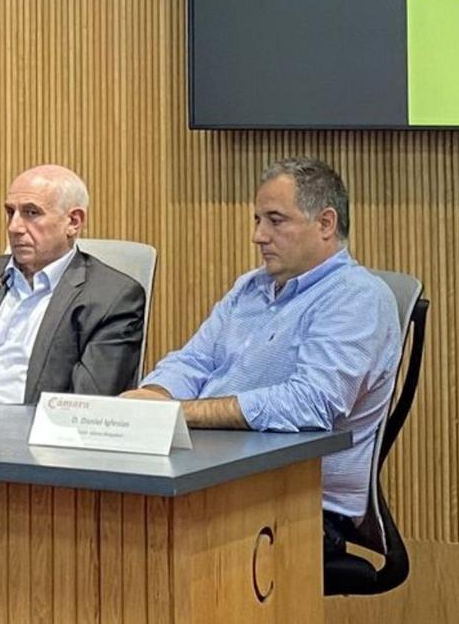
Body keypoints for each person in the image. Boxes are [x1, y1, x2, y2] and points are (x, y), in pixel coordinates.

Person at [125, 158, 401, 555]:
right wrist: (151, 397)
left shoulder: (356, 297)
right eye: (257, 219)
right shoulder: (250, 287)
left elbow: (311, 403)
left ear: (325, 223)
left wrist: (179, 414)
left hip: (299, 505)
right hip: (210, 477)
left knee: (139, 547)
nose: (258, 235)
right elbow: (193, 361)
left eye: (275, 220)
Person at [0, 165, 145, 404]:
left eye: (31, 213)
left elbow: (87, 401)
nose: (14, 227)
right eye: (11, 212)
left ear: (73, 222)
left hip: (32, 434)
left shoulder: (113, 298)